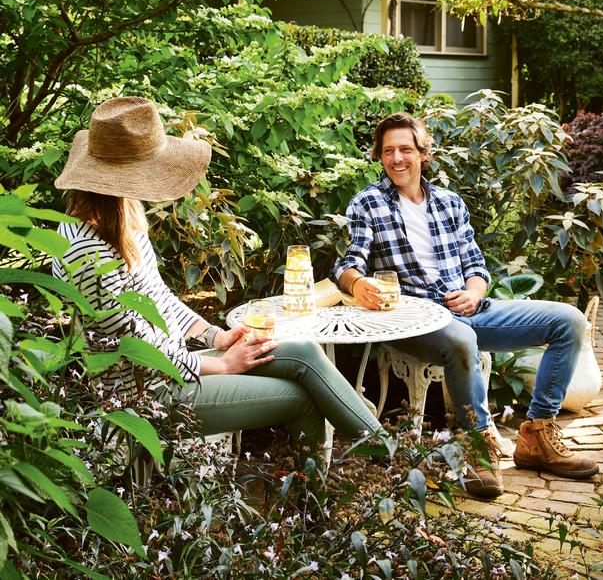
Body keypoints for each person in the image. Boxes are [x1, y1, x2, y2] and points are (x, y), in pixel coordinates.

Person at [53, 96, 383, 461]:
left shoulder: (122, 216)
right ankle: (347, 490)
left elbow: (159, 297)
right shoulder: (87, 252)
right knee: (301, 399)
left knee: (304, 352)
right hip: (149, 396)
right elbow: (142, 351)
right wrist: (222, 364)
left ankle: (385, 455)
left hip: (176, 366)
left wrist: (217, 336)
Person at [332, 112, 599, 499]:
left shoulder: (449, 203)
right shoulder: (368, 203)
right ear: (380, 157)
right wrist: (357, 284)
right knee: (459, 340)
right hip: (417, 319)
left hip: (470, 308)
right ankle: (477, 447)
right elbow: (348, 262)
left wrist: (474, 292)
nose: (396, 159)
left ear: (423, 153)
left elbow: (475, 265)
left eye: (405, 149)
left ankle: (537, 436)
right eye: (388, 151)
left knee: (570, 322)